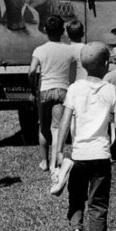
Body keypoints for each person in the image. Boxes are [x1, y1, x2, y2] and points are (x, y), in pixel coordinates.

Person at [52, 41, 116, 231]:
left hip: (78, 155)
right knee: (98, 203)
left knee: (76, 198)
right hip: (101, 155)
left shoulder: (74, 88)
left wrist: (59, 152)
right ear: (105, 64)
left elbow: (64, 122)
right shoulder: (112, 90)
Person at [29, 15, 76, 172]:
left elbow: (32, 71)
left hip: (45, 91)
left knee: (43, 127)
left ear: (44, 30)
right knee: (57, 127)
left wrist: (32, 88)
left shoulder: (40, 50)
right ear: (63, 31)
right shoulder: (69, 50)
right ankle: (55, 163)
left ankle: (44, 161)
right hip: (63, 91)